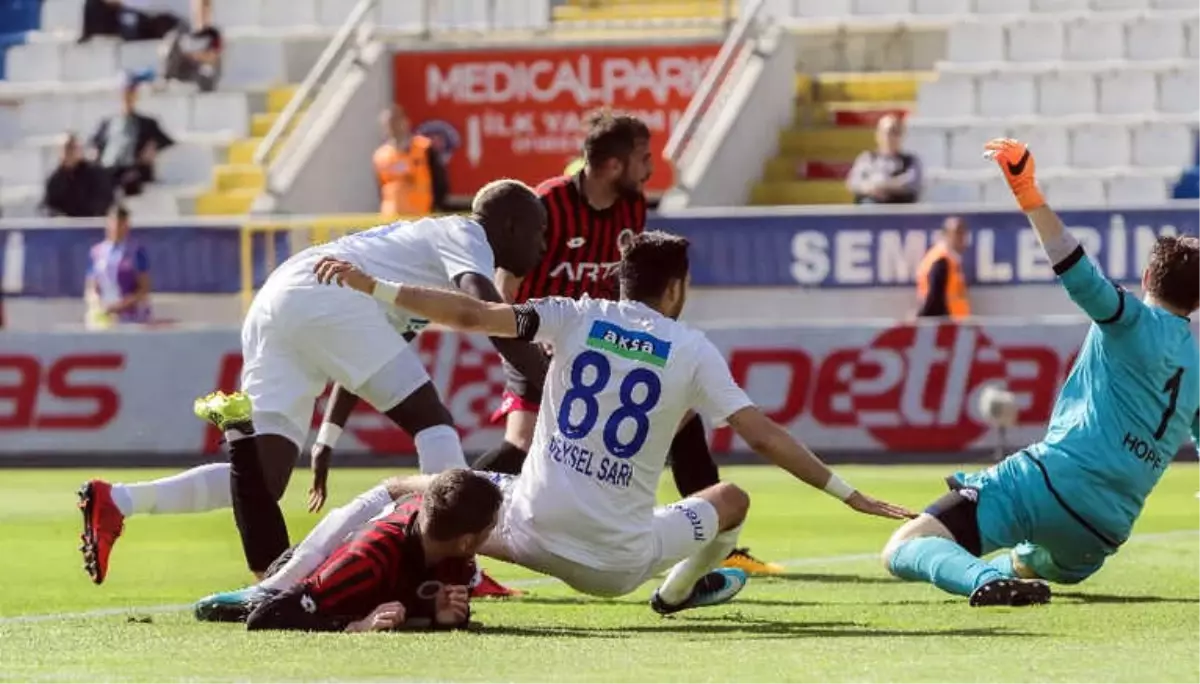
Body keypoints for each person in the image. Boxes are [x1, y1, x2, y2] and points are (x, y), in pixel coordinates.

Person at [291, 231, 912, 615]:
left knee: (397, 491)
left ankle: (284, 583)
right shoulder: (691, 347)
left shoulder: (574, 314)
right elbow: (761, 434)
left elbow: (476, 316)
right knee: (731, 499)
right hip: (620, 563)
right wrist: (847, 493)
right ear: (675, 289)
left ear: (622, 281)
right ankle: (676, 593)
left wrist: (375, 286)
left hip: (526, 530)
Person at [77, 180, 549, 591]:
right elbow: (486, 312)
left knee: (265, 477)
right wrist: (552, 380)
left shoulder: (419, 253)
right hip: (325, 295)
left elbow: (363, 355)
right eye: (538, 231)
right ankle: (452, 570)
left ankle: (118, 500)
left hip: (281, 296)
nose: (543, 245)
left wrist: (327, 437)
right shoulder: (468, 234)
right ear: (508, 225)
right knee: (433, 423)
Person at [881, 139, 1200, 607]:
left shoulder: (1130, 319)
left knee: (902, 546)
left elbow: (1076, 269)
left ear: (1148, 279)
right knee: (1030, 559)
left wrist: (1028, 192)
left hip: (1048, 482)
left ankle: (978, 581)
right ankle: (1006, 576)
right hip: (1101, 532)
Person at [240, 469, 495, 632]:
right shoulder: (367, 559)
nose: (492, 533)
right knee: (255, 599)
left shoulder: (451, 545)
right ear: (466, 541)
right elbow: (267, 616)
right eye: (490, 527)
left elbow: (407, 602)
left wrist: (439, 617)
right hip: (310, 572)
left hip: (358, 573)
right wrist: (355, 626)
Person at [91, 74, 174, 197]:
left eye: (131, 92)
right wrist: (94, 152)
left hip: (133, 168)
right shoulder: (107, 122)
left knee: (129, 182)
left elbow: (167, 141)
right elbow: (94, 143)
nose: (127, 96)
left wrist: (153, 147)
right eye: (125, 93)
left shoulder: (147, 123)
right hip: (108, 168)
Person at [83, 204, 151, 327]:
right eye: (112, 223)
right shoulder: (97, 252)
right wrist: (97, 304)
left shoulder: (136, 251)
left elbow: (143, 289)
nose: (115, 228)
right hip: (104, 315)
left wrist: (121, 305)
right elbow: (91, 287)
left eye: (120, 224)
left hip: (131, 317)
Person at [374, 106, 448, 218]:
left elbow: (440, 183)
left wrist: (434, 210)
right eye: (389, 124)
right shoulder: (380, 156)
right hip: (391, 221)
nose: (393, 128)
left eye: (396, 122)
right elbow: (381, 189)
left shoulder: (424, 148)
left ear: (405, 122)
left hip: (420, 219)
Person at [845, 114, 922, 205]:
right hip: (870, 211)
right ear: (878, 135)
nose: (889, 137)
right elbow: (853, 182)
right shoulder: (867, 159)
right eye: (886, 132)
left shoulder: (910, 161)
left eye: (895, 132)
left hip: (899, 213)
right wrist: (870, 188)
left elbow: (911, 183)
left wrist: (882, 186)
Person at [42, 133, 113, 218]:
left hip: (92, 225)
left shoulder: (96, 173)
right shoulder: (55, 178)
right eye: (65, 148)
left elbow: (104, 201)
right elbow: (47, 206)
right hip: (64, 227)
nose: (68, 152)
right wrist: (57, 216)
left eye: (72, 148)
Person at [914, 216, 970, 319]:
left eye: (964, 233)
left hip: (954, 326)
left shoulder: (951, 260)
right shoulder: (941, 261)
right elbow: (934, 299)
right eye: (957, 233)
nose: (962, 238)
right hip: (946, 326)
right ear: (946, 235)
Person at [159, 0, 222, 93]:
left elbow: (212, 58)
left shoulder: (214, 35)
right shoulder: (180, 32)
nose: (202, 11)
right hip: (181, 76)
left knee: (207, 70)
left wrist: (191, 55)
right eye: (199, 7)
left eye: (206, 7)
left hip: (203, 79)